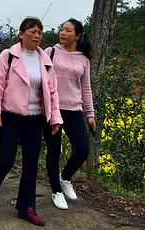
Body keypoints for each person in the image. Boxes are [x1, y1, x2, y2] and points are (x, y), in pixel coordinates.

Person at [0, 17, 62, 226]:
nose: (37, 36)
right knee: (7, 159)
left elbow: (52, 92)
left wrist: (55, 118)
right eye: (33, 31)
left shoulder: (45, 60)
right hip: (10, 116)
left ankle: (25, 207)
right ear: (21, 33)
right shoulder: (8, 56)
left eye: (40, 32)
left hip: (35, 119)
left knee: (31, 165)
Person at [43, 18, 96, 210]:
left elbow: (86, 88)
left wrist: (90, 114)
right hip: (53, 110)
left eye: (67, 30)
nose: (62, 33)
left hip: (74, 110)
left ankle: (64, 178)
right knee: (54, 151)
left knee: (82, 149)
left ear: (78, 35)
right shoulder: (50, 52)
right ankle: (56, 191)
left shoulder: (84, 59)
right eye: (61, 29)